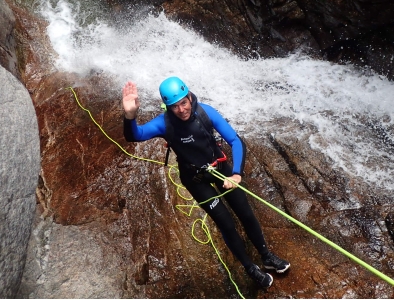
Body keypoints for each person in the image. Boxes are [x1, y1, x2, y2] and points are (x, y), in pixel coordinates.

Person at [122, 76, 290, 288]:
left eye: (184, 102)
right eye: (175, 106)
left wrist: (236, 174)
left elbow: (235, 141)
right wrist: (130, 115)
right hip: (195, 179)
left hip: (220, 168)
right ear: (167, 107)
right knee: (226, 223)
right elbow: (135, 135)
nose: (181, 109)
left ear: (190, 97)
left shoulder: (205, 113)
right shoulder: (164, 124)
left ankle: (266, 256)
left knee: (245, 213)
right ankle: (250, 268)